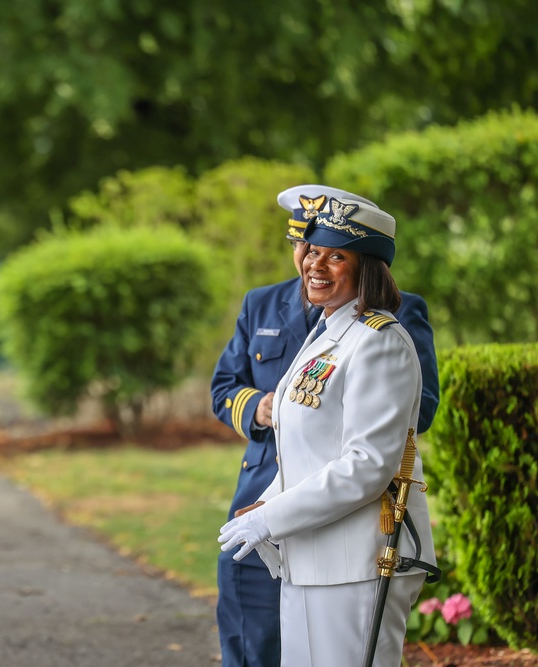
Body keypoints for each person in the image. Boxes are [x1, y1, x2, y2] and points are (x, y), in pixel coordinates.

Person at [209, 184, 439, 667]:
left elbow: (367, 464)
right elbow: (303, 446)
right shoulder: (330, 334)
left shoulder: (378, 340)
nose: (314, 264)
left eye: (335, 256)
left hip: (356, 558)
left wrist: (271, 517)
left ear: (366, 266)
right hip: (311, 556)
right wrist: (266, 503)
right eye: (311, 251)